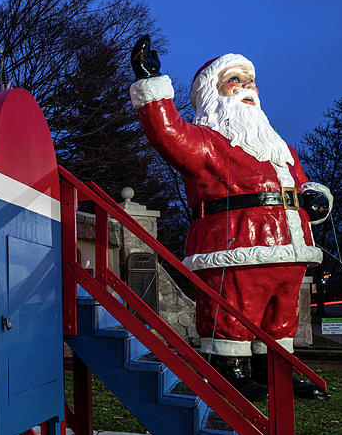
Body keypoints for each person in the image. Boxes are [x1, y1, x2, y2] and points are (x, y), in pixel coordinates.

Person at [129, 35, 331, 401]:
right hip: (237, 244)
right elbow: (168, 134)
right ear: (213, 93)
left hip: (288, 249)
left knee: (281, 317)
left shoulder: (278, 147)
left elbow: (300, 182)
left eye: (250, 80)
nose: (248, 87)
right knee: (233, 312)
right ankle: (229, 370)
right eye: (235, 80)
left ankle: (276, 371)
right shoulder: (207, 142)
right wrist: (152, 85)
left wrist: (315, 197)